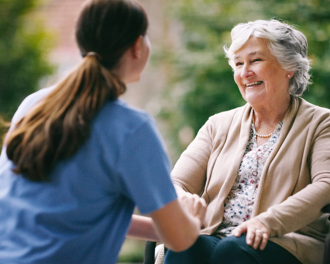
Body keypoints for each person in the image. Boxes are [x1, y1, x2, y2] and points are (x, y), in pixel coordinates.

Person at [0, 0, 206, 263]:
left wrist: (164, 227)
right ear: (137, 47)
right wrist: (192, 220)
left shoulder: (34, 104)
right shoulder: (133, 129)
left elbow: (74, 213)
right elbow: (180, 240)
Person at [163, 19, 330, 264]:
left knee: (233, 251)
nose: (245, 72)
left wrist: (267, 222)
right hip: (216, 236)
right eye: (238, 63)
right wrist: (182, 198)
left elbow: (325, 185)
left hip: (285, 240)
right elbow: (177, 182)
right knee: (185, 246)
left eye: (256, 60)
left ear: (289, 67)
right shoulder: (217, 124)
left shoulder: (321, 123)